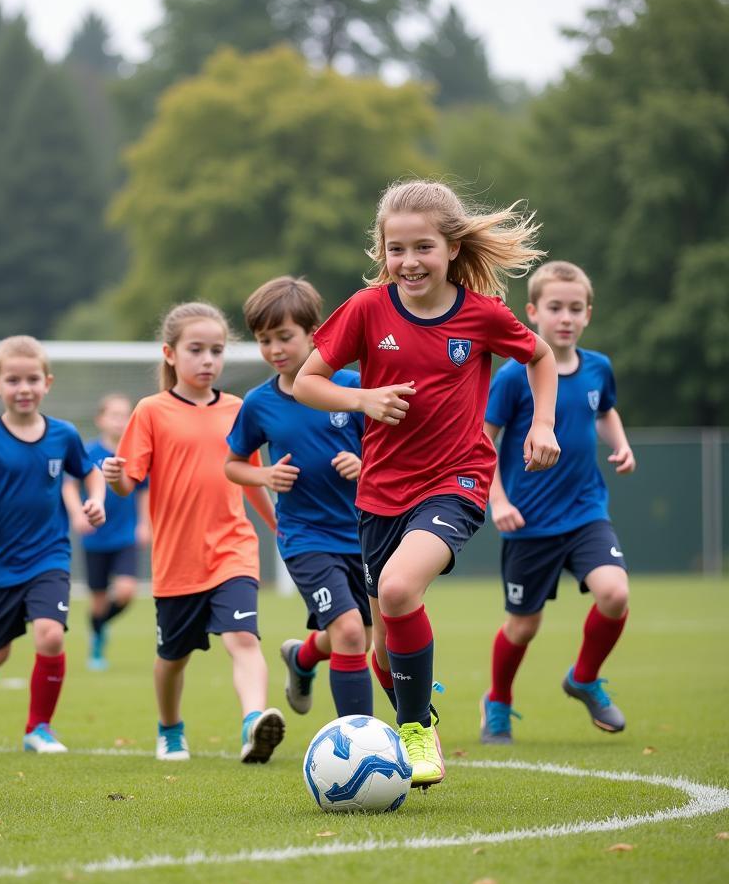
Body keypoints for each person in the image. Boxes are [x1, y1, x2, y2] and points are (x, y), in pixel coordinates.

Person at [294, 179, 561, 788]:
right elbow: (308, 382)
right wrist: (363, 397)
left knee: (396, 588)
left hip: (457, 477)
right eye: (396, 249)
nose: (409, 262)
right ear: (381, 251)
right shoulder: (366, 310)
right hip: (381, 491)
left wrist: (541, 424)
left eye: (423, 248)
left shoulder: (482, 315)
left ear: (451, 249)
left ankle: (414, 731)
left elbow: (540, 357)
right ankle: (421, 714)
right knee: (385, 646)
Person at [102, 302, 286, 764]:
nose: (208, 360)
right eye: (197, 350)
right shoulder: (151, 411)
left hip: (233, 549)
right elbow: (129, 483)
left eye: (217, 351)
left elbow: (252, 477)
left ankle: (253, 722)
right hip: (177, 561)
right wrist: (115, 477)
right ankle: (170, 729)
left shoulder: (239, 409)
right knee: (173, 660)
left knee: (243, 639)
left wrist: (279, 528)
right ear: (170, 353)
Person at [481, 260, 633, 743]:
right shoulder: (513, 375)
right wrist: (497, 500)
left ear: (588, 313)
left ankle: (584, 678)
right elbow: (483, 438)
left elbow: (605, 410)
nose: (565, 317)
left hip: (586, 512)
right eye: (555, 308)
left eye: (575, 308)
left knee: (615, 593)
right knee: (523, 626)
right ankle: (498, 702)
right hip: (529, 523)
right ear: (533, 312)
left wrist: (620, 443)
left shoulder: (598, 368)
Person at [224, 276, 374, 720]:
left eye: (284, 336)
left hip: (365, 533)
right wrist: (265, 474)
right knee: (349, 631)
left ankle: (303, 657)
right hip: (305, 537)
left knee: (360, 636)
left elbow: (390, 456)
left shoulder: (351, 387)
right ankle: (358, 742)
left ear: (315, 333)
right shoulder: (258, 404)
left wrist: (363, 467)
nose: (274, 349)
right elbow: (232, 464)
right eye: (263, 340)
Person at [0, 336, 106, 753]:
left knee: (50, 636)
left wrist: (96, 500)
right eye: (13, 380)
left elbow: (89, 473)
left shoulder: (64, 435)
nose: (23, 388)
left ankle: (37, 729)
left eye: (32, 379)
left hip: (49, 557)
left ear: (47, 383)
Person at [63, 393, 149, 671]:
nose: (120, 421)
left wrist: (144, 524)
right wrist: (77, 514)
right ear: (101, 419)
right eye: (114, 415)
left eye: (125, 415)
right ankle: (98, 638)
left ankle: (98, 627)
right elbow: (69, 486)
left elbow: (143, 491)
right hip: (95, 537)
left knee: (126, 590)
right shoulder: (88, 453)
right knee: (98, 600)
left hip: (125, 536)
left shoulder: (134, 453)